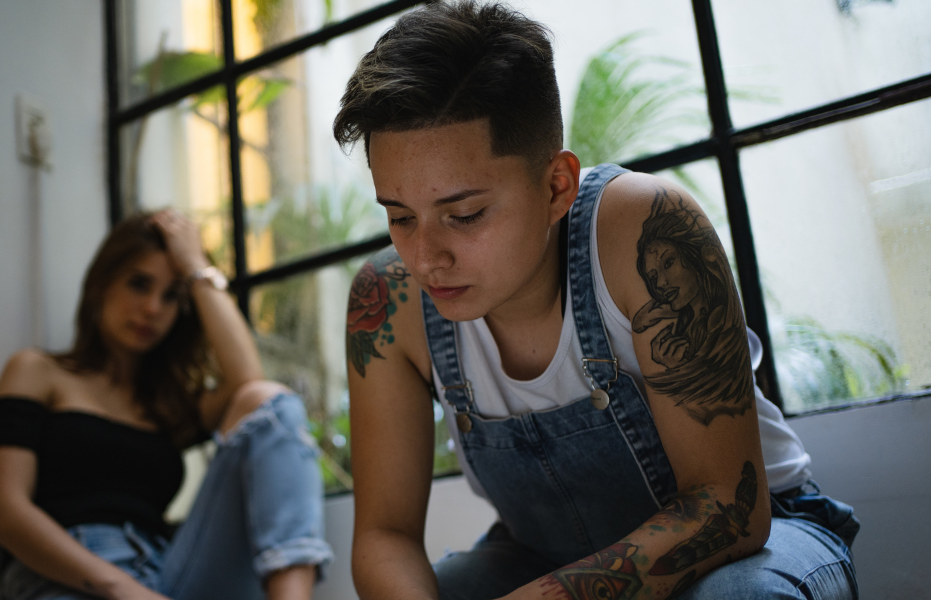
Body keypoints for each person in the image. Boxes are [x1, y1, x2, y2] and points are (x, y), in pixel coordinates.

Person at [335, 2, 859, 599]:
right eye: (400, 217)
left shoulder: (642, 230)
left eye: (465, 214)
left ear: (557, 185)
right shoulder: (388, 299)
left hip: (754, 540)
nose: (425, 256)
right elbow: (385, 536)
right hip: (539, 552)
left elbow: (729, 509)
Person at [0, 210, 333, 600]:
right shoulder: (38, 371)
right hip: (64, 580)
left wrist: (196, 268)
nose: (152, 308)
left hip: (166, 573)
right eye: (139, 284)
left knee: (269, 402)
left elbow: (247, 383)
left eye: (170, 296)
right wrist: (124, 590)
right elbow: (4, 514)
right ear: (102, 283)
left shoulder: (168, 405)